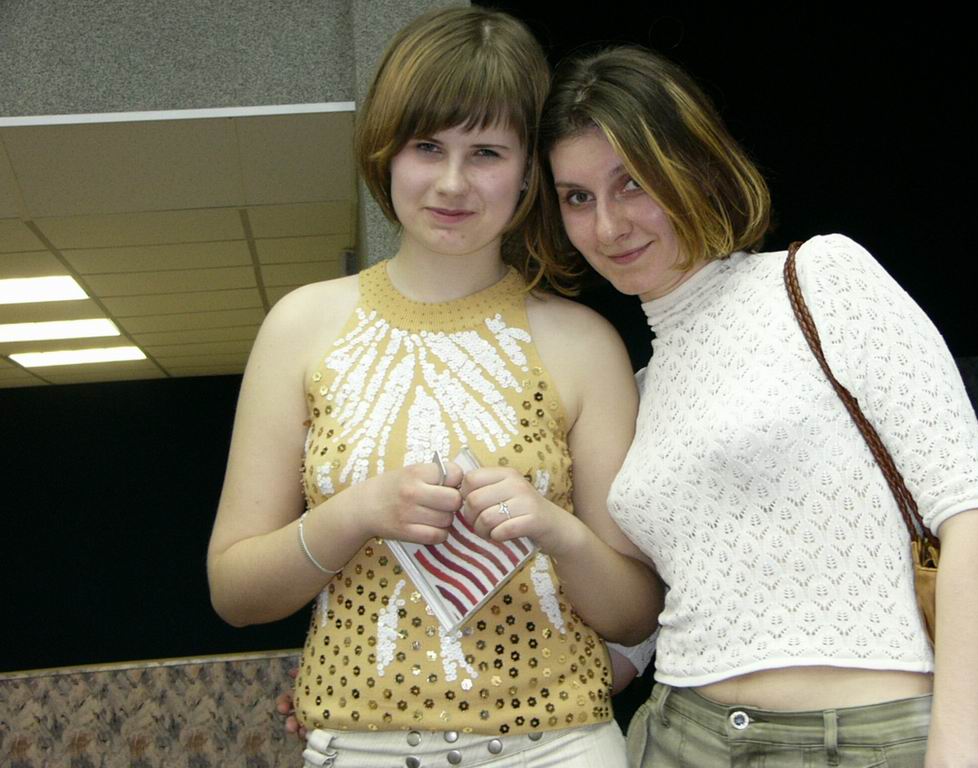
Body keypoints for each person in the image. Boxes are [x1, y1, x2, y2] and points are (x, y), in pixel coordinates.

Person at [529, 45, 978, 766]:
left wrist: (960, 757)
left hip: (866, 738)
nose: (608, 226)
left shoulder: (819, 279)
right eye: (578, 197)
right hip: (680, 735)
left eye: (632, 182)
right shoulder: (638, 388)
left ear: (694, 165)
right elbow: (642, 626)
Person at [206, 8, 661, 767]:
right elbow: (235, 591)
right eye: (427, 146)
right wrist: (353, 514)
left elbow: (635, 611)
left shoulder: (585, 345)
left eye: (486, 152)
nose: (452, 182)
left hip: (559, 747)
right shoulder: (301, 326)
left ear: (528, 171)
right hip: (357, 747)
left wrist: (556, 530)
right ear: (386, 154)